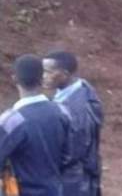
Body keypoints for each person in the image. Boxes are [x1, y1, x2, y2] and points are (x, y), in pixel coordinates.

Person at [0, 54, 72, 195]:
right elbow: (69, 156)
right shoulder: (62, 112)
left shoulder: (11, 121)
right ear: (42, 78)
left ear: (15, 79)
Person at [43, 51, 103, 196]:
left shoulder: (77, 109)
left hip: (74, 184)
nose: (43, 76)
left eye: (48, 72)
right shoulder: (79, 92)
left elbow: (73, 154)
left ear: (64, 74)